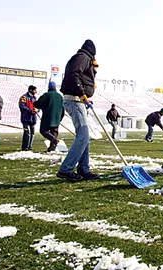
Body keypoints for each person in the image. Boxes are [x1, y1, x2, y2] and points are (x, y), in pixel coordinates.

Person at [57, 39, 100, 181]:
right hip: (74, 99)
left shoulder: (83, 58)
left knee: (84, 137)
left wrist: (85, 96)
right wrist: (81, 93)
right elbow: (74, 74)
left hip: (79, 100)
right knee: (83, 135)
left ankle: (84, 169)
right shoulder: (83, 57)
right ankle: (66, 169)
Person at [34, 81, 64, 152]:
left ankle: (53, 140)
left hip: (47, 117)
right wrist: (60, 118)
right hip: (57, 118)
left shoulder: (47, 95)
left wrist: (35, 103)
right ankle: (51, 149)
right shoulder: (60, 96)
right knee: (54, 132)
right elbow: (63, 108)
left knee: (43, 131)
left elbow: (38, 104)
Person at [19, 85, 38, 151]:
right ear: (30, 90)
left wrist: (37, 110)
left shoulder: (35, 98)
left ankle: (30, 146)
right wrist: (30, 110)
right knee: (26, 133)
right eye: (35, 90)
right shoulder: (24, 97)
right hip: (25, 118)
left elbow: (38, 106)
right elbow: (22, 106)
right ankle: (25, 147)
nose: (36, 92)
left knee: (32, 133)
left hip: (33, 119)